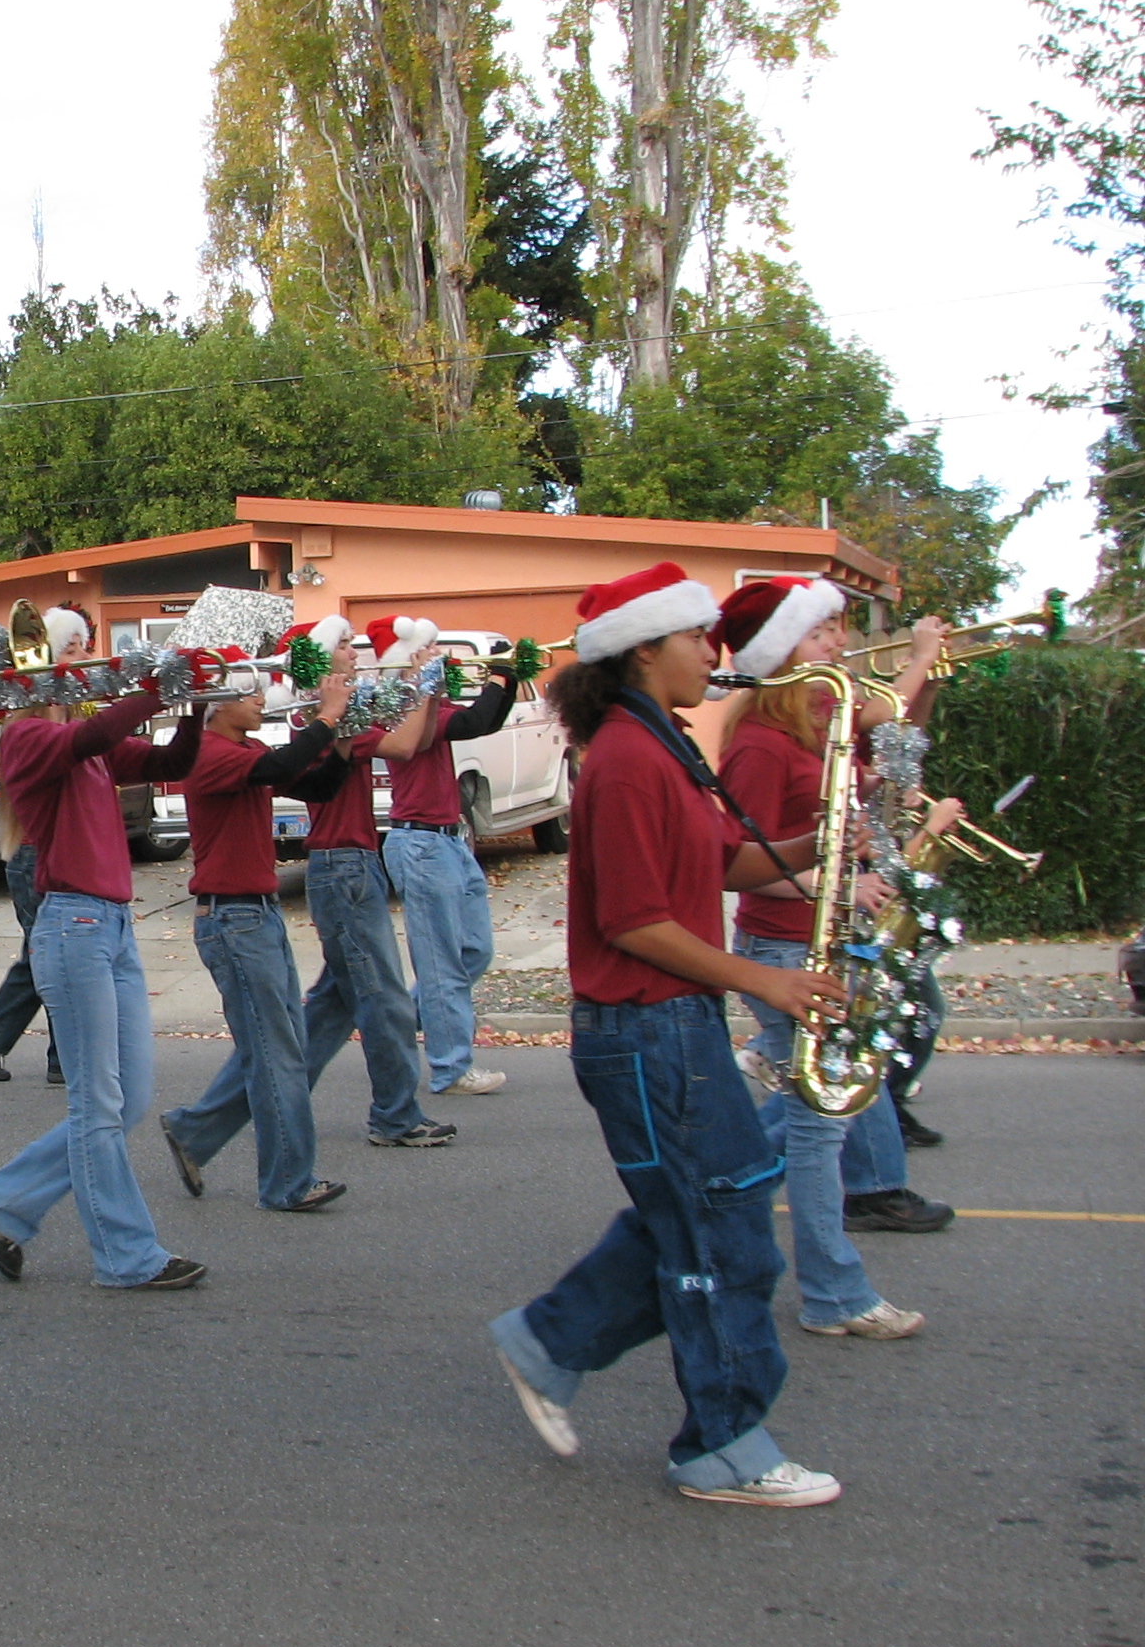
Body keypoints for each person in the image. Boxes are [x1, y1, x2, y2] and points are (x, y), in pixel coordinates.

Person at [487, 562, 845, 1508]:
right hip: (648, 1029)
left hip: (669, 1026)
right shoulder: (628, 759)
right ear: (645, 647)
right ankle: (722, 1446)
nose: (714, 651)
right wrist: (766, 977)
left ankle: (549, 1341)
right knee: (724, 1243)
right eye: (696, 637)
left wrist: (833, 841)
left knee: (701, 1221)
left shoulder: (663, 746)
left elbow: (721, 863)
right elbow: (636, 922)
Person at [713, 578, 957, 1304]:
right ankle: (832, 1291)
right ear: (783, 649)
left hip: (819, 944)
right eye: (823, 633)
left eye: (837, 630)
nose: (840, 644)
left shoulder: (821, 724)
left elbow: (895, 737)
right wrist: (832, 887)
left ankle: (709, 1209)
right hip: (783, 950)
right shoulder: (758, 743)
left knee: (810, 1116)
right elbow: (739, 867)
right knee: (817, 1123)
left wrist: (929, 681)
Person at [0, 662, 207, 1290]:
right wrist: (156, 687)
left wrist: (195, 703)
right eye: (68, 656)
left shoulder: (89, 743)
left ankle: (11, 1198)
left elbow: (172, 763)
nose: (81, 666)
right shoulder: (25, 738)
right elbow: (95, 736)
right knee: (98, 1103)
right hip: (72, 927)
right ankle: (126, 1256)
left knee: (125, 1099)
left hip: (113, 928)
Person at [158, 645, 356, 1213]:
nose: (259, 698)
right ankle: (287, 1183)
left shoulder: (243, 747)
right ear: (215, 704)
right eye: (247, 691)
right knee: (277, 1054)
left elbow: (311, 786)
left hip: (257, 913)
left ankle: (194, 1132)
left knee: (275, 1048)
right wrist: (327, 717)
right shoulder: (208, 753)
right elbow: (279, 768)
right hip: (232, 918)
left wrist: (339, 744)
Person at [297, 618, 457, 1150]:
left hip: (353, 864)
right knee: (385, 999)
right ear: (322, 661)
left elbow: (423, 736)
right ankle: (395, 1115)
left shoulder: (345, 708)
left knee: (331, 1008)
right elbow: (406, 747)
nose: (355, 650)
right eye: (344, 644)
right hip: (343, 867)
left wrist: (426, 691)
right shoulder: (331, 716)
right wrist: (423, 683)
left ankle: (244, 1104)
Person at [369, 616, 518, 1097]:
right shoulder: (399, 705)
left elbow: (483, 720)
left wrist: (507, 676)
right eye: (428, 648)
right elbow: (476, 721)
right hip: (420, 844)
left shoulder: (428, 699)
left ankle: (399, 1024)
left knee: (475, 951)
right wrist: (498, 675)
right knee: (443, 966)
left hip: (449, 840)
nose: (438, 655)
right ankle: (452, 1067)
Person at [0, 605, 91, 1089]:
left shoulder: (66, 714)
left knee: (50, 954)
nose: (85, 657)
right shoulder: (27, 726)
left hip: (53, 854)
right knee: (49, 956)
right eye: (73, 647)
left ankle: (36, 1050)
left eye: (84, 646)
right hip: (34, 855)